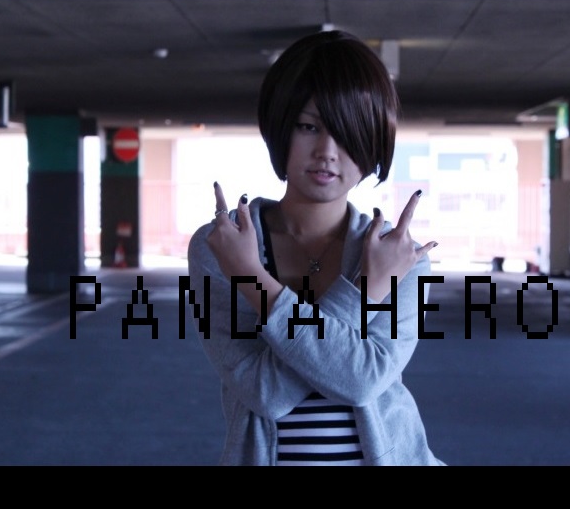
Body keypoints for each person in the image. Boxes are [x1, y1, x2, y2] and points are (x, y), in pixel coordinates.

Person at [187, 29, 444, 466]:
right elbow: (264, 393)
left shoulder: (401, 257)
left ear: (373, 142)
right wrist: (365, 295)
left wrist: (254, 282)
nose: (327, 151)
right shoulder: (221, 249)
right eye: (308, 127)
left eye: (347, 132)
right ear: (280, 127)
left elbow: (360, 381)